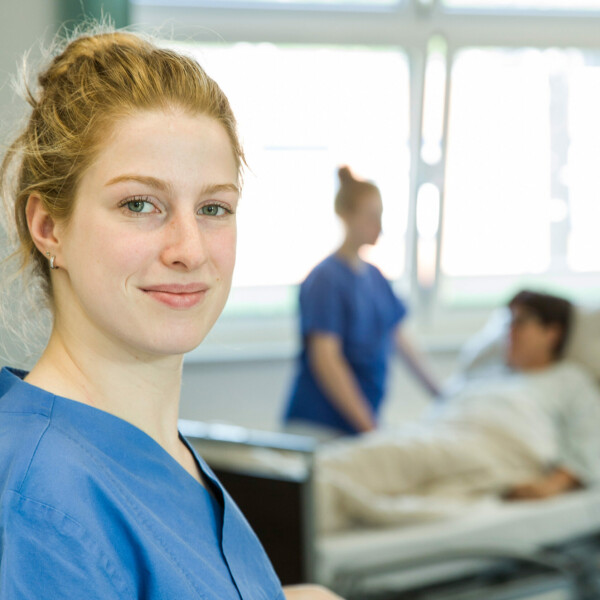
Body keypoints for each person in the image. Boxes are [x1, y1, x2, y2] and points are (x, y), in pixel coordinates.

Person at [0, 28, 342, 600]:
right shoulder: (42, 504)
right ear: (48, 226)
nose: (189, 249)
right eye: (139, 204)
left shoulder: (153, 452)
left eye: (213, 208)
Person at [316, 290, 600, 532]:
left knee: (384, 458)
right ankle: (302, 489)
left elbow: (587, 442)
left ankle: (305, 491)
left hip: (496, 449)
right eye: (508, 323)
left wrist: (552, 486)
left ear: (552, 332)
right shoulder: (489, 374)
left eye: (521, 322)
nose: (509, 332)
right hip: (443, 437)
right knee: (385, 451)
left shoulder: (570, 380)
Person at [283, 166, 440, 438]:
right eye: (371, 217)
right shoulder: (326, 279)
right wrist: (371, 429)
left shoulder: (376, 278)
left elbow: (402, 341)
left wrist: (442, 394)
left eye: (381, 216)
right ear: (346, 216)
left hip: (357, 427)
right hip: (318, 425)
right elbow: (327, 361)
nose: (379, 226)